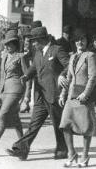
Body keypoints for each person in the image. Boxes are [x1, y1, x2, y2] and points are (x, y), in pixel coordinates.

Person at [7, 26, 70, 161]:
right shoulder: (38, 53)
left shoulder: (57, 49)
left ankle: (62, 149)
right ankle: (22, 149)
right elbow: (34, 68)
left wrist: (62, 75)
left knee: (58, 124)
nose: (32, 44)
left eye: (34, 41)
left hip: (55, 94)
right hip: (40, 95)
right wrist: (26, 76)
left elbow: (69, 65)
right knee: (33, 123)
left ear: (41, 39)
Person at [0, 29, 26, 156]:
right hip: (6, 91)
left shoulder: (21, 57)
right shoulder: (5, 56)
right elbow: (2, 75)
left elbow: (27, 76)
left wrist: (26, 96)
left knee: (2, 115)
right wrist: (0, 92)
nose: (7, 46)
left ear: (15, 44)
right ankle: (23, 145)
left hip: (16, 90)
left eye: (10, 44)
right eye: (6, 44)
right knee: (15, 119)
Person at [60, 32, 96, 167]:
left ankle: (85, 156)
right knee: (65, 125)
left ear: (87, 41)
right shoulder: (72, 57)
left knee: (86, 127)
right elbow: (69, 78)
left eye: (82, 39)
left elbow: (93, 77)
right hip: (71, 95)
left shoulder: (90, 56)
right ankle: (72, 153)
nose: (79, 42)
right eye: (77, 40)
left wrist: (85, 94)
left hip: (83, 96)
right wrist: (63, 94)